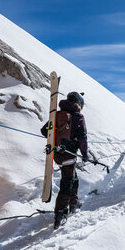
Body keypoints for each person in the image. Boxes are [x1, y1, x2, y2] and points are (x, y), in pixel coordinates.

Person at [41, 91, 89, 229]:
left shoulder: (56, 115)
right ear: (79, 104)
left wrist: (57, 138)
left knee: (73, 177)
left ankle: (73, 203)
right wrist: (85, 154)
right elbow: (82, 138)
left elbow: (44, 131)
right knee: (67, 182)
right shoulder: (78, 116)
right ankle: (60, 213)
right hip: (69, 154)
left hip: (56, 153)